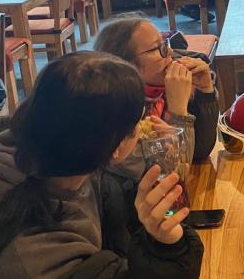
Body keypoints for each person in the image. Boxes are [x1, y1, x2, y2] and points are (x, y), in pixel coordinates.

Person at [0, 52, 203, 279]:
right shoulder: (45, 266)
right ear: (116, 148)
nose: (144, 126)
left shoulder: (28, 154)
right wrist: (168, 247)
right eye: (138, 123)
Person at [94, 16, 219, 169]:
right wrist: (178, 112)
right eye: (157, 48)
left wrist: (205, 92)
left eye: (165, 44)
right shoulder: (117, 116)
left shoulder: (164, 90)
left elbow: (200, 150)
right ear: (127, 65)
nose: (170, 51)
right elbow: (177, 171)